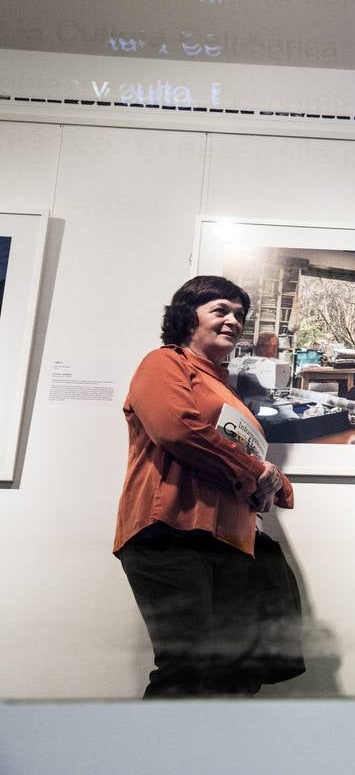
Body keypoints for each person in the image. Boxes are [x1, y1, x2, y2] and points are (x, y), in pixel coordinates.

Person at [114, 276, 295, 697]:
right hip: (170, 531)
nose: (233, 320)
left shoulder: (223, 385)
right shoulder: (163, 362)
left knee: (230, 673)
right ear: (186, 316)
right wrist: (256, 473)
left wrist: (276, 482)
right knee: (187, 667)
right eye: (220, 310)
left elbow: (247, 453)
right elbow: (178, 430)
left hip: (230, 540)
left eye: (239, 314)